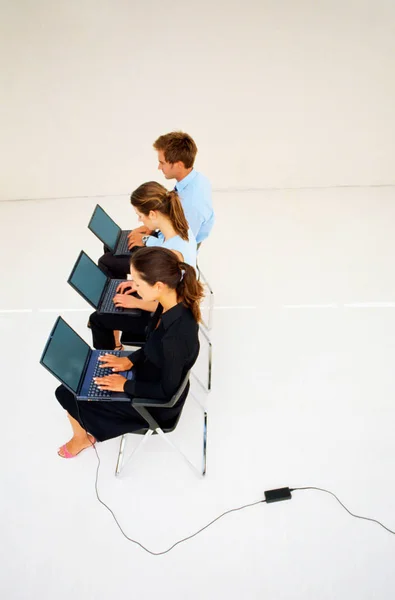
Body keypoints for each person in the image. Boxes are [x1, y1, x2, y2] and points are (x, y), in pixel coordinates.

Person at [55, 247, 204, 458]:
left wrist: (124, 385)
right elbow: (153, 344)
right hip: (147, 375)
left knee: (65, 392)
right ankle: (85, 430)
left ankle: (82, 438)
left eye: (137, 283)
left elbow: (166, 393)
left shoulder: (176, 336)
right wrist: (130, 360)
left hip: (153, 404)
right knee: (79, 379)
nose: (133, 287)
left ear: (159, 286)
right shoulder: (169, 304)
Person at [90, 181, 197, 349]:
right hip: (162, 299)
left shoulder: (172, 254)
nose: (139, 220)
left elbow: (172, 306)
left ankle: (110, 360)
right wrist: (138, 284)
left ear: (153, 214)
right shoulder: (180, 226)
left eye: (141, 215)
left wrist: (136, 302)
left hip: (161, 318)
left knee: (97, 319)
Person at [129, 131, 214, 249]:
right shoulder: (196, 179)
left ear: (179, 165)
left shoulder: (191, 202)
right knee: (114, 248)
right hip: (167, 235)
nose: (159, 167)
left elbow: (180, 244)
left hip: (172, 250)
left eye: (162, 163)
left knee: (109, 260)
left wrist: (146, 240)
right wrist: (151, 227)